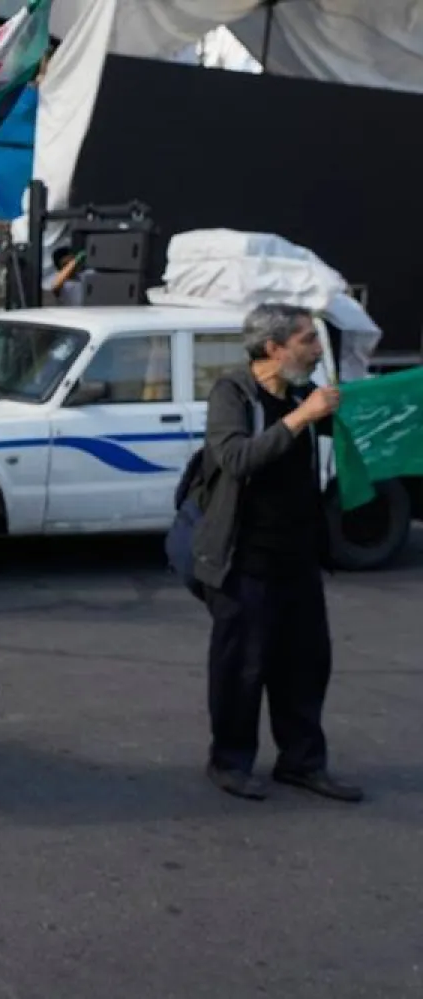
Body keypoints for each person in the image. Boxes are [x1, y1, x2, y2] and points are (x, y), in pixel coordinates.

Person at [191, 303, 363, 804]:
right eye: (307, 340)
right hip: (244, 561)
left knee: (306, 665)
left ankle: (303, 761)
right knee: (242, 668)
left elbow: (355, 437)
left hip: (298, 559)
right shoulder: (233, 393)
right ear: (274, 347)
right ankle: (230, 761)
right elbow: (237, 458)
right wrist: (299, 419)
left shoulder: (304, 394)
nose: (315, 351)